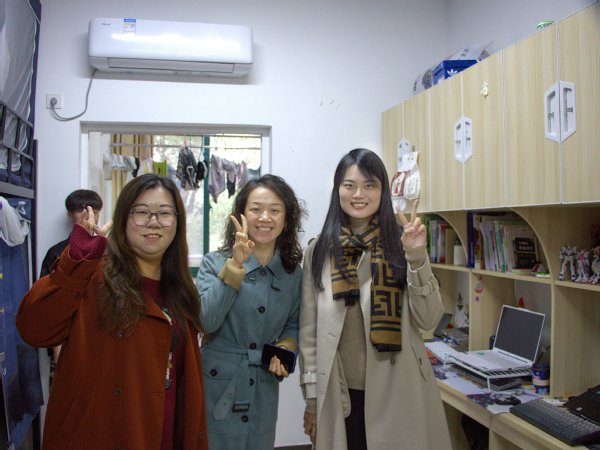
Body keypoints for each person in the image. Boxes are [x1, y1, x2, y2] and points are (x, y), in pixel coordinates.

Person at [17, 174, 208, 450]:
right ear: (122, 219)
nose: (154, 222)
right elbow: (34, 329)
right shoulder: (92, 276)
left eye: (165, 213)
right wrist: (76, 261)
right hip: (104, 434)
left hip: (164, 433)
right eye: (141, 212)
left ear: (177, 223)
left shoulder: (180, 290)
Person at [299, 148, 451, 450]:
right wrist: (312, 397)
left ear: (383, 192)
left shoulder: (401, 242)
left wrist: (417, 257)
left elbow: (428, 319)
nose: (359, 194)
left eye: (370, 185)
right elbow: (308, 332)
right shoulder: (320, 251)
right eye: (350, 185)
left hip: (401, 389)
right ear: (338, 190)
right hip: (340, 393)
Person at [195, 174, 305, 450]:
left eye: (275, 210)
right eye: (256, 209)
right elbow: (206, 321)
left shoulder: (293, 274)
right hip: (217, 383)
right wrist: (235, 265)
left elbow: (293, 325)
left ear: (287, 219)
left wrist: (285, 347)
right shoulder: (215, 262)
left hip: (263, 385)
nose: (265, 217)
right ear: (241, 215)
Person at [38, 188, 104, 368]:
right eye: (82, 211)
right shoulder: (57, 252)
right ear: (70, 214)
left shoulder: (107, 250)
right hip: (66, 336)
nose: (89, 216)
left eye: (94, 211)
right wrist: (57, 349)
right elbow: (48, 304)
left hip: (102, 335)